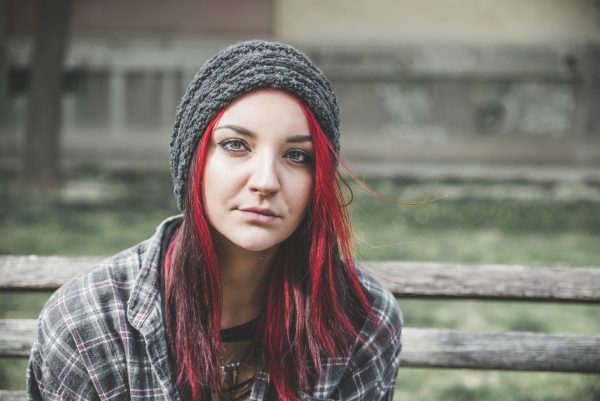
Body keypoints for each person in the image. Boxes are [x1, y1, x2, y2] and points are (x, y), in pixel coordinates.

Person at [26, 40, 403, 401]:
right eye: (236, 145)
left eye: (296, 155)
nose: (266, 181)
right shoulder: (87, 323)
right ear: (194, 163)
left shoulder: (360, 320)